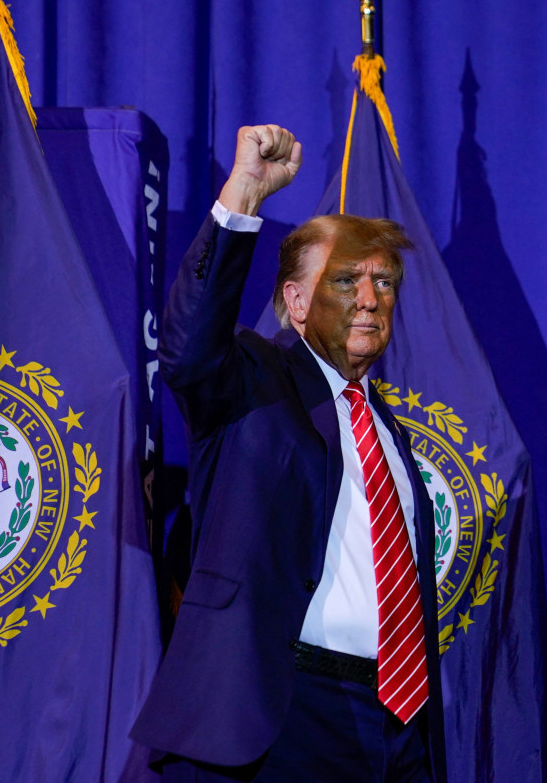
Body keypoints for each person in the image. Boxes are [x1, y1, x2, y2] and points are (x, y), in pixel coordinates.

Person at [131, 125, 446, 782]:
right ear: (295, 302)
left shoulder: (389, 433)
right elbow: (187, 348)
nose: (369, 298)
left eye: (384, 282)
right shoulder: (253, 380)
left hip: (393, 724)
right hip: (274, 717)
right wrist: (244, 190)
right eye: (346, 279)